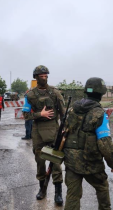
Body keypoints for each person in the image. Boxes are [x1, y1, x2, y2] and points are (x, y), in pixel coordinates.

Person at [62, 77, 113, 210]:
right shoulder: (100, 115)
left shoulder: (72, 110)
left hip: (71, 161)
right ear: (101, 93)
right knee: (102, 187)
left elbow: (65, 132)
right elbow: (105, 144)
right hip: (91, 163)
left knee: (72, 196)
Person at [22, 65, 66, 205]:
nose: (44, 77)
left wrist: (65, 128)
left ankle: (58, 192)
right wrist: (40, 114)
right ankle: (42, 189)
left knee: (55, 161)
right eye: (41, 75)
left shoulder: (55, 92)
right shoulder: (30, 95)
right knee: (40, 161)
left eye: (46, 75)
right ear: (36, 77)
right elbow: (26, 115)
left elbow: (63, 112)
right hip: (38, 131)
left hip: (54, 129)